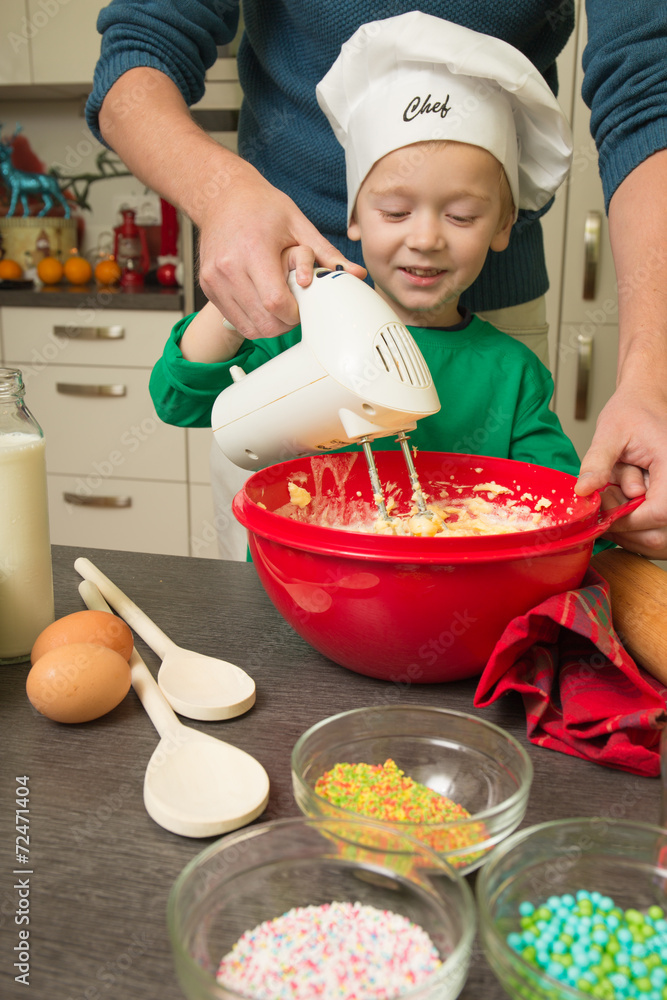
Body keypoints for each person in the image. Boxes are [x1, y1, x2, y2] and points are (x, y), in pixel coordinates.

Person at [86, 1, 667, 559]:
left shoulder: (514, 377)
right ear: (353, 219)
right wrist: (239, 302)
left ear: (503, 225)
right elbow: (178, 399)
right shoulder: (303, 338)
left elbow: (563, 510)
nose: (426, 238)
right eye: (395, 211)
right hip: (302, 594)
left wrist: (619, 510)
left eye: (461, 215)